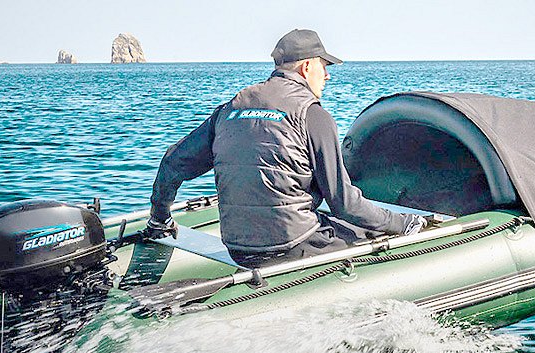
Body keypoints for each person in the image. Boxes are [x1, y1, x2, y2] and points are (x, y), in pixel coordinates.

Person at [144, 29, 427, 268]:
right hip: (291, 245)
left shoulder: (231, 108)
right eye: (324, 67)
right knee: (373, 235)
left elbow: (173, 162)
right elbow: (345, 204)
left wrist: (160, 218)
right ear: (307, 67)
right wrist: (402, 223)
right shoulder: (313, 115)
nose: (327, 76)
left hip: (236, 247)